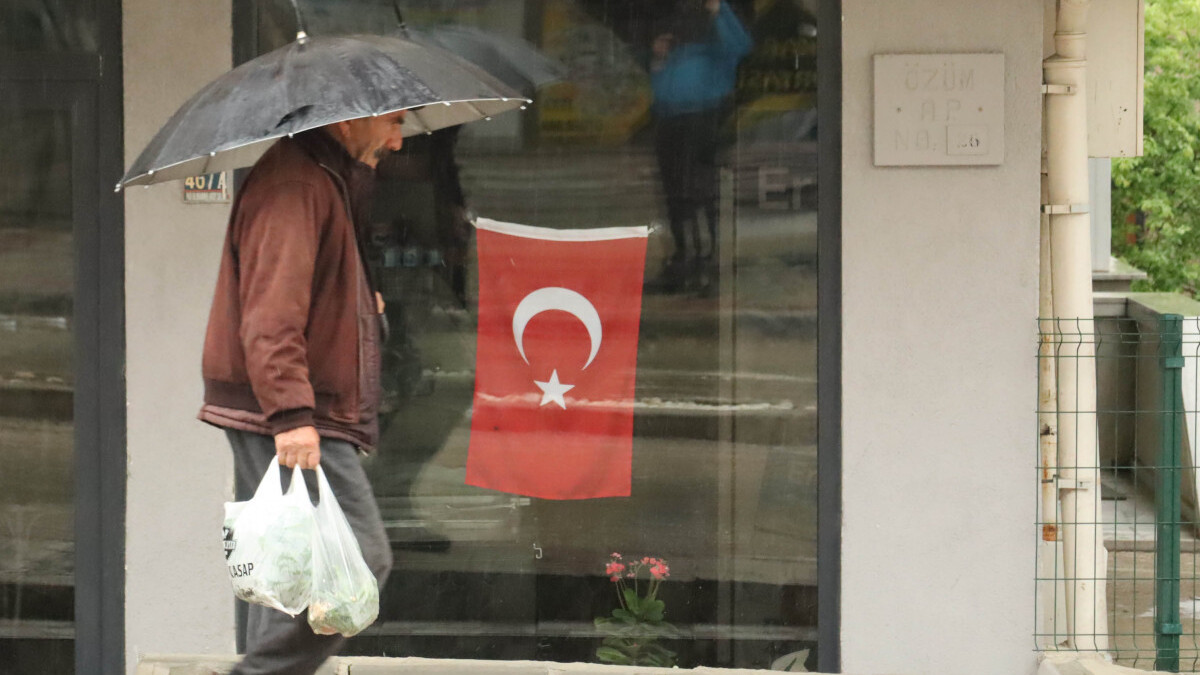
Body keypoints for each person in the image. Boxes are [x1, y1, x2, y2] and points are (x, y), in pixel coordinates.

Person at [197, 110, 408, 675]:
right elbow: (270, 314)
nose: (398, 138)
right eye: (391, 120)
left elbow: (304, 294)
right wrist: (291, 414)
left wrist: (361, 306)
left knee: (285, 573)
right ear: (346, 120)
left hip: (291, 405)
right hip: (291, 411)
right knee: (361, 559)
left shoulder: (323, 177)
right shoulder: (297, 184)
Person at [650, 0, 751, 291]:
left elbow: (741, 45)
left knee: (701, 193)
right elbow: (660, 89)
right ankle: (684, 259)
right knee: (675, 195)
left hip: (702, 119)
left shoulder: (718, 42)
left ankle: (710, 261)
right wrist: (658, 60)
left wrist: (718, 11)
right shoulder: (676, 45)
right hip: (670, 122)